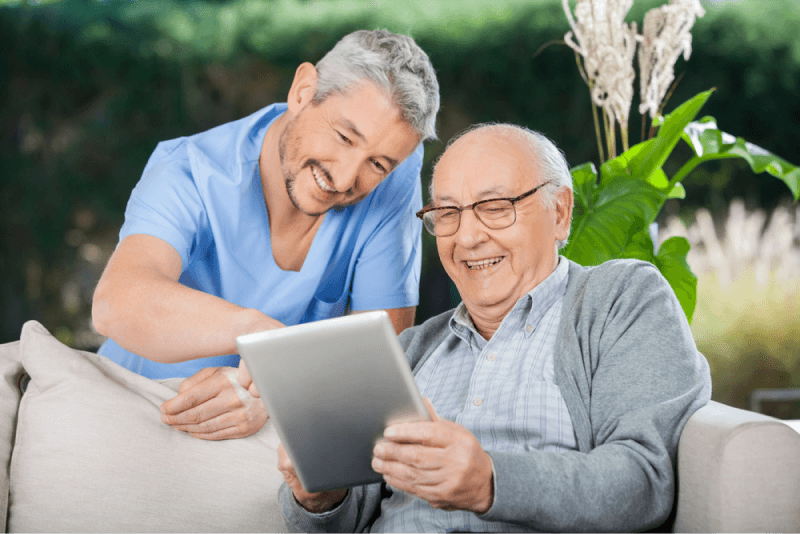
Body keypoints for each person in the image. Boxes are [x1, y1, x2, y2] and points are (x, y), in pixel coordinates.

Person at [277, 123, 712, 532]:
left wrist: (489, 480)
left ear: (559, 212)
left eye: (494, 208)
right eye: (447, 213)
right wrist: (322, 497)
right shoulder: (412, 351)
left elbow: (642, 482)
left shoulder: (620, 300)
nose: (466, 238)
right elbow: (351, 517)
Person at [91, 30, 440, 441]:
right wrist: (262, 338)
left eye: (377, 164)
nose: (346, 178)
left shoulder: (393, 173)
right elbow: (117, 303)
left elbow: (380, 359)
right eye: (344, 137)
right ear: (302, 91)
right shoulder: (188, 170)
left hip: (269, 431)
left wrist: (278, 390)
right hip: (142, 409)